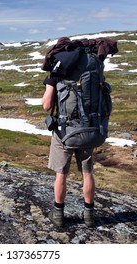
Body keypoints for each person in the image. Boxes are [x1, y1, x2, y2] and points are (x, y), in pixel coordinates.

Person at [42, 76, 95, 228]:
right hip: (88, 130)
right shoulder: (90, 70)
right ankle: (89, 216)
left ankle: (58, 214)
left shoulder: (57, 72)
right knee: (87, 172)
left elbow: (47, 105)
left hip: (65, 133)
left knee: (61, 173)